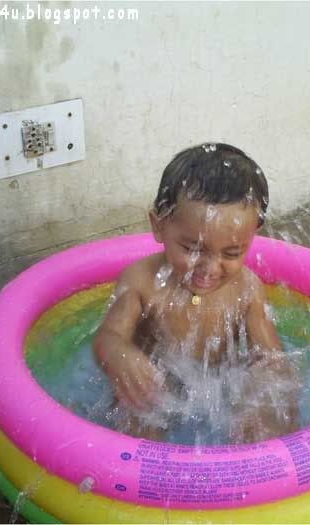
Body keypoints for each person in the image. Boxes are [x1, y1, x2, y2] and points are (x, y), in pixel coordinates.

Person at [94, 143, 298, 444]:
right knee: (135, 416)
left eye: (231, 252)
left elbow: (272, 359)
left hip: (221, 385)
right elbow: (108, 336)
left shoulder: (247, 288)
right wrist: (117, 355)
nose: (209, 268)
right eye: (192, 249)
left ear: (253, 233)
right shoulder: (142, 282)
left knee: (271, 414)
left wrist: (263, 399)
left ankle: (258, 477)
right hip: (154, 385)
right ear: (159, 226)